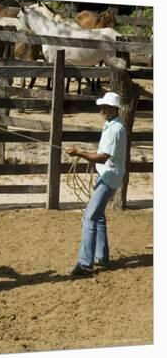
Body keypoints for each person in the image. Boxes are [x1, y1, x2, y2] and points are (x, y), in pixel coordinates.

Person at [65, 92, 127, 276]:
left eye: (105, 107)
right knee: (97, 217)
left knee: (89, 218)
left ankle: (85, 264)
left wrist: (78, 153)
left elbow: (102, 157)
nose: (102, 110)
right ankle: (102, 258)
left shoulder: (115, 129)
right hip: (110, 176)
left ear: (113, 108)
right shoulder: (113, 125)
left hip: (108, 177)